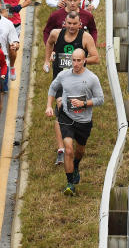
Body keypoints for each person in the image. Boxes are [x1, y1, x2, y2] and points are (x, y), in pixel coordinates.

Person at [46, 48, 104, 196]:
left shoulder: (92, 78)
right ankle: (70, 183)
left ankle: (76, 165)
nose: (76, 63)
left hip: (84, 121)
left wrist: (84, 103)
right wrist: (48, 106)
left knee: (80, 150)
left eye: (79, 60)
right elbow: (52, 88)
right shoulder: (64, 75)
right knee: (69, 149)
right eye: (74, 60)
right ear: (70, 60)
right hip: (66, 117)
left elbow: (100, 99)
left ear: (84, 60)